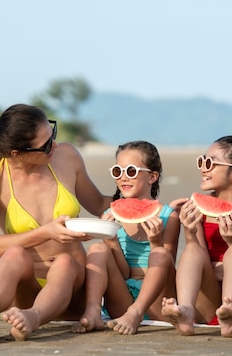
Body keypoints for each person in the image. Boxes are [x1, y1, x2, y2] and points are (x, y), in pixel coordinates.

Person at [0, 103, 112, 343]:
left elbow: (99, 203)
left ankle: (33, 317)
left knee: (64, 262)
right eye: (45, 146)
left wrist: (139, 196)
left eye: (52, 135)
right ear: (17, 154)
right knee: (14, 255)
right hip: (26, 291)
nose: (54, 146)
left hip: (72, 287)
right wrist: (47, 233)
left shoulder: (67, 156)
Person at [162, 134, 232, 337]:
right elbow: (199, 257)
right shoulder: (197, 206)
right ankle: (186, 310)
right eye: (201, 161)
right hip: (207, 299)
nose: (203, 168)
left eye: (210, 163)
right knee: (192, 249)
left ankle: (229, 314)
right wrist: (190, 232)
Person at [71, 140, 182, 335]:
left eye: (131, 171)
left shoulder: (168, 216)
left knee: (161, 254)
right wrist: (110, 239)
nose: (123, 178)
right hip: (122, 299)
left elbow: (167, 267)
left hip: (157, 301)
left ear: (152, 176)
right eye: (117, 171)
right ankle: (93, 311)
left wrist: (155, 241)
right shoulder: (111, 214)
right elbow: (123, 274)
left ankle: (136, 312)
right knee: (98, 249)